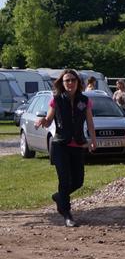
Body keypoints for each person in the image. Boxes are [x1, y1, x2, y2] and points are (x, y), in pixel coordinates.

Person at [34, 69, 96, 227]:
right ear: (62, 83)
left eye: (73, 80)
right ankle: (66, 213)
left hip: (78, 144)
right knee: (64, 179)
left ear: (78, 83)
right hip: (60, 144)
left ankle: (59, 196)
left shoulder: (85, 100)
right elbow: (48, 120)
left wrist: (93, 140)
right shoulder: (56, 100)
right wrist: (42, 121)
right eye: (67, 80)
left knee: (78, 181)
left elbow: (89, 122)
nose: (70, 83)